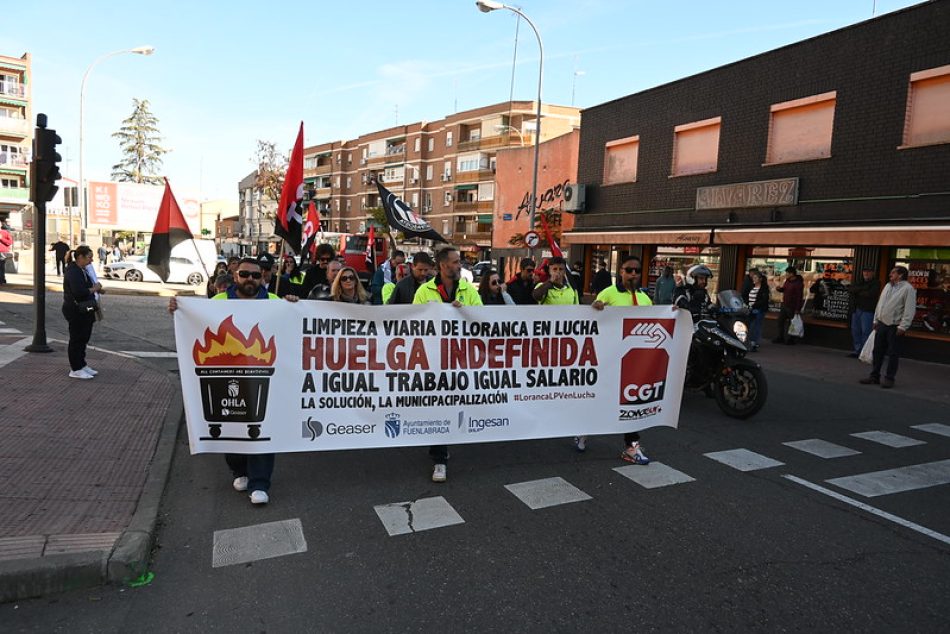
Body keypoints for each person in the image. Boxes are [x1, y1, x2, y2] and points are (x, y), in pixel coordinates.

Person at [168, 257, 299, 505]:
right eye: (244, 274)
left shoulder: (274, 302)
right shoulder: (218, 302)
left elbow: (290, 329)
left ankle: (260, 483)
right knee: (232, 424)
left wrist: (292, 305)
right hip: (225, 375)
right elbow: (196, 324)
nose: (250, 279)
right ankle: (239, 471)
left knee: (263, 428)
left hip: (262, 376)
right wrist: (179, 309)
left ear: (263, 277)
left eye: (256, 275)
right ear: (235, 275)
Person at [413, 246, 482, 482]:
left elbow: (482, 316)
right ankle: (439, 459)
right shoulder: (424, 291)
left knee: (457, 403)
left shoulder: (467, 290)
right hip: (433, 359)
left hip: (461, 359)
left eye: (458, 261)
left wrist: (466, 313)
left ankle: (447, 439)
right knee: (438, 405)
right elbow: (413, 322)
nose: (459, 265)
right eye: (454, 262)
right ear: (442, 265)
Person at [591, 255, 652, 463]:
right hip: (609, 359)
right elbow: (593, 320)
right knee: (599, 399)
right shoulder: (608, 293)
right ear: (621, 272)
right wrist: (597, 307)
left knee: (632, 404)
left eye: (636, 270)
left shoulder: (645, 298)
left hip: (635, 362)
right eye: (629, 270)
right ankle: (583, 428)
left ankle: (632, 447)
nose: (633, 274)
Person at [860, 266, 917, 389]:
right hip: (882, 324)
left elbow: (909, 310)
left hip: (894, 326)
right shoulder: (887, 286)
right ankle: (874, 376)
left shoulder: (908, 289)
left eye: (893, 272)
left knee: (893, 353)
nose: (890, 274)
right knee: (877, 351)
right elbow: (880, 304)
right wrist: (876, 319)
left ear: (900, 275)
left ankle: (889, 378)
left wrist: (903, 326)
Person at [62, 246, 102, 379]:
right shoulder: (73, 272)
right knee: (77, 339)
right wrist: (93, 289)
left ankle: (82, 364)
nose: (91, 260)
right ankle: (75, 368)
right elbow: (79, 292)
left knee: (84, 337)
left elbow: (89, 286)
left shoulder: (83, 270)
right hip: (76, 310)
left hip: (86, 309)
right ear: (80, 257)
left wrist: (97, 289)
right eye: (89, 257)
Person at [848, 266, 880, 358]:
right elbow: (851, 289)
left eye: (868, 272)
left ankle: (865, 352)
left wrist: (858, 291)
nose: (866, 273)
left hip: (868, 311)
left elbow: (870, 294)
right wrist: (863, 289)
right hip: (856, 309)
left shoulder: (876, 283)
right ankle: (857, 351)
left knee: (866, 332)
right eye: (864, 271)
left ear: (872, 273)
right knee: (855, 331)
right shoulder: (859, 281)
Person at [774, 266, 805, 345]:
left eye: (787, 273)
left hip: (793, 306)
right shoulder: (787, 281)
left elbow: (799, 296)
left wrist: (798, 308)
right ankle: (780, 337)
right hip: (785, 304)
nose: (786, 274)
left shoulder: (798, 283)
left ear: (792, 274)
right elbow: (784, 289)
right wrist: (779, 289)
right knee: (780, 321)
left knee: (793, 323)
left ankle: (792, 339)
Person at [744, 270, 770, 351]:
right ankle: (749, 341)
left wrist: (754, 305)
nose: (753, 279)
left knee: (756, 325)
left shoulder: (764, 288)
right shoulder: (752, 287)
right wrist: (747, 304)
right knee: (750, 325)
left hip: (759, 309)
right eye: (753, 278)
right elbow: (748, 297)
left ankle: (754, 342)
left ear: (760, 279)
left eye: (755, 278)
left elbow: (764, 300)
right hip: (751, 309)